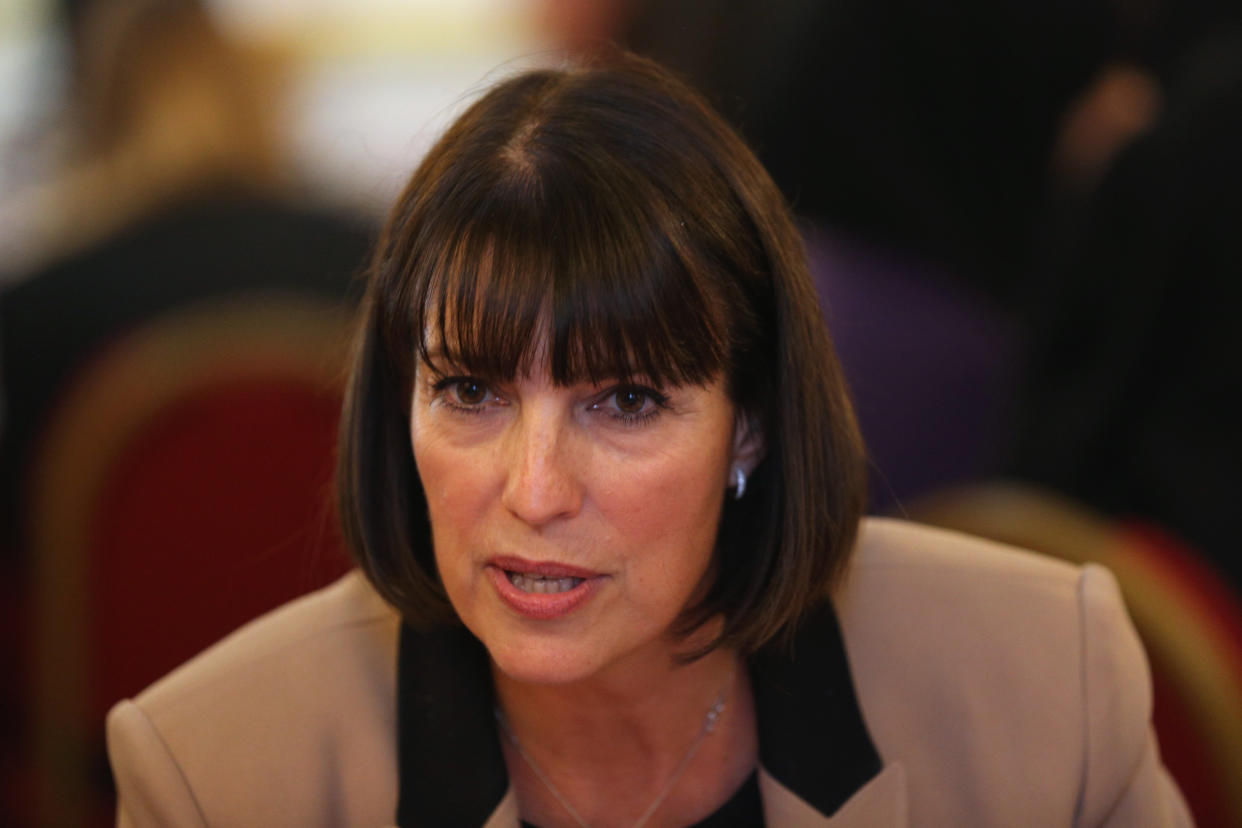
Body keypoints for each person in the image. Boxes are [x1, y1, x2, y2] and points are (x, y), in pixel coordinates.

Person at [105, 52, 1189, 826]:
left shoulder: (1048, 689)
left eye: (623, 403)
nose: (534, 490)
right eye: (471, 392)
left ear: (750, 424)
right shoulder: (213, 772)